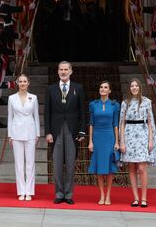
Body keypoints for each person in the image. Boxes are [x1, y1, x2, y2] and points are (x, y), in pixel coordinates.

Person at [45, 61, 86, 205]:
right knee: (56, 164)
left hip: (72, 130)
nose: (63, 72)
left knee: (70, 164)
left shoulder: (78, 88)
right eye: (61, 69)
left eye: (66, 69)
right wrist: (48, 132)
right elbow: (47, 113)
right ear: (57, 71)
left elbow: (82, 111)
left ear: (71, 71)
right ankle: (58, 193)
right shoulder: (50, 89)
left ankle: (68, 194)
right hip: (56, 131)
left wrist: (82, 130)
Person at [119, 78, 156, 208]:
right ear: (129, 88)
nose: (134, 88)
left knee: (142, 168)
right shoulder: (125, 103)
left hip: (142, 135)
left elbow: (150, 121)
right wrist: (122, 142)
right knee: (131, 168)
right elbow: (122, 123)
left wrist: (151, 140)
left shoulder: (147, 102)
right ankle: (135, 198)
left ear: (140, 87)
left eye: (136, 85)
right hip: (129, 135)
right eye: (132, 86)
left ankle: (144, 198)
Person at [7, 74, 40, 201]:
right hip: (16, 133)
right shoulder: (11, 98)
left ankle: (29, 191)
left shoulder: (34, 97)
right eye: (20, 81)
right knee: (19, 164)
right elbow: (10, 117)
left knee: (30, 163)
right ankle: (21, 191)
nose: (22, 83)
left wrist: (37, 134)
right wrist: (9, 134)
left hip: (31, 132)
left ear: (28, 83)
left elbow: (36, 116)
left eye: (24, 81)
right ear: (17, 83)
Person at [88, 81, 120, 205]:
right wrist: (90, 141)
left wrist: (117, 142)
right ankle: (101, 195)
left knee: (109, 168)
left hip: (110, 136)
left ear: (110, 90)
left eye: (105, 87)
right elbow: (91, 123)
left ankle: (108, 195)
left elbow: (116, 124)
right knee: (100, 167)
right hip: (97, 136)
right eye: (101, 87)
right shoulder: (93, 104)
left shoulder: (114, 105)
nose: (103, 89)